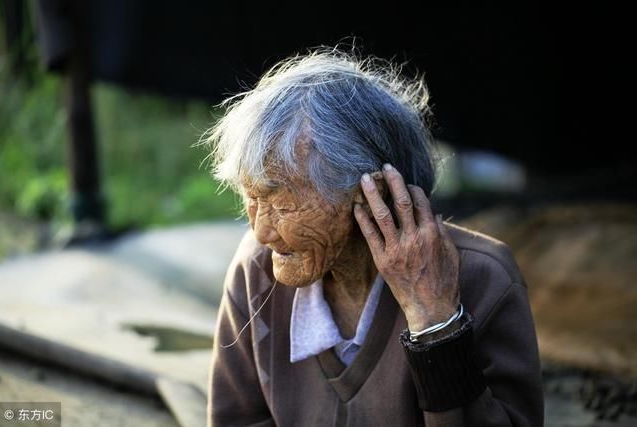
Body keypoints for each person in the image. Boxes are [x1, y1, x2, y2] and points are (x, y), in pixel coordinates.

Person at [204, 48, 543, 426]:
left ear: (374, 193)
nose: (261, 230)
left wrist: (436, 323)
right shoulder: (257, 267)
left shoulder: (485, 278)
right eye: (252, 198)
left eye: (283, 206)